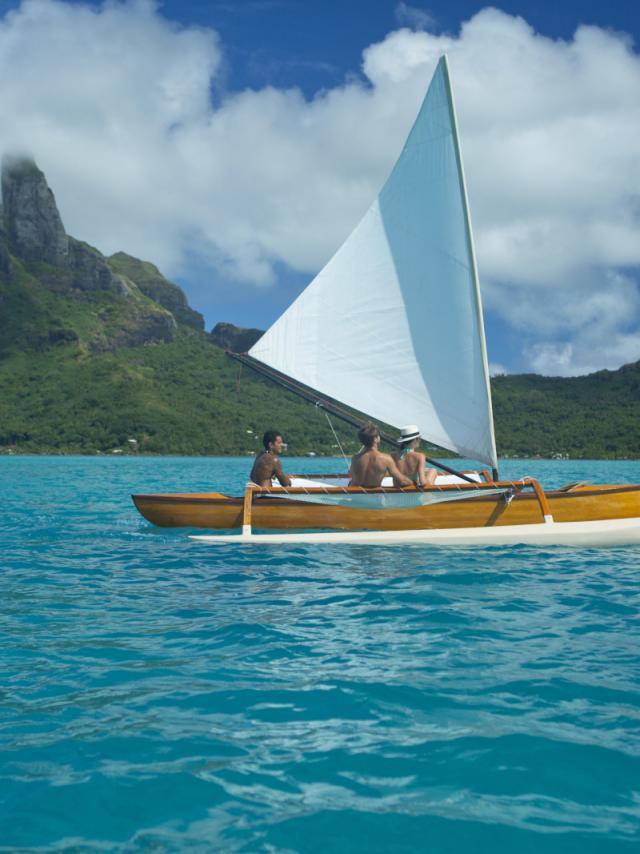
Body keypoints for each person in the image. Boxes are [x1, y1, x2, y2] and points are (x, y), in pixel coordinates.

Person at [349, 422, 412, 488]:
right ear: (376, 439)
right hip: (373, 496)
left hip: (355, 494)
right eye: (379, 435)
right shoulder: (386, 459)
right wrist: (413, 482)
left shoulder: (355, 458)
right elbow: (403, 481)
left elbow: (352, 473)